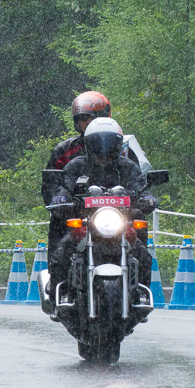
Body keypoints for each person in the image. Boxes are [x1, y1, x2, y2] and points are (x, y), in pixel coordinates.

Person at [46, 117, 158, 301]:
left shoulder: (127, 166)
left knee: (142, 254)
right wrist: (61, 197)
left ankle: (140, 292)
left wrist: (147, 198)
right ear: (89, 144)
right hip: (86, 221)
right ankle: (60, 292)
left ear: (117, 143)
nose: (104, 148)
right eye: (98, 142)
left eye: (109, 142)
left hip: (119, 222)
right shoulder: (77, 165)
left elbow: (141, 186)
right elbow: (64, 186)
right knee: (62, 252)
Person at [41, 91, 143, 265]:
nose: (85, 123)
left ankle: (138, 283)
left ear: (104, 116)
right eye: (81, 119)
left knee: (139, 221)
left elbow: (137, 181)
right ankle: (57, 279)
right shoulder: (66, 151)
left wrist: (143, 197)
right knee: (58, 224)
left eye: (89, 117)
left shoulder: (124, 151)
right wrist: (59, 199)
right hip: (78, 213)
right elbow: (52, 183)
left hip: (118, 214)